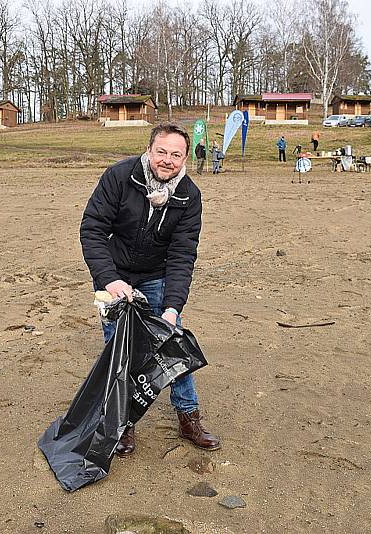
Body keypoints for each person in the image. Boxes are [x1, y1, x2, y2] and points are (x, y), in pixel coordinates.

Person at [79, 122, 221, 457]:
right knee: (120, 350)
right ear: (149, 150)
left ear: (186, 157)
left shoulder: (189, 195)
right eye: (162, 151)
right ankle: (122, 424)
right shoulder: (119, 177)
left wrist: (172, 307)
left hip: (157, 275)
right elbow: (93, 230)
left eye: (176, 154)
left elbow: (182, 255)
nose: (168, 160)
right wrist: (109, 280)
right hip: (114, 274)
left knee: (173, 342)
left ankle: (189, 417)